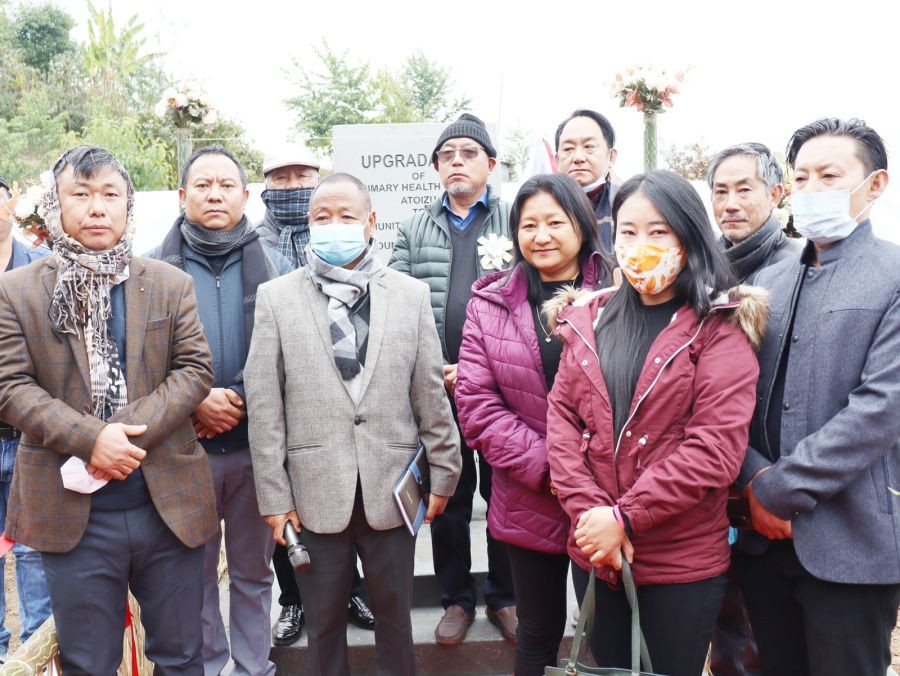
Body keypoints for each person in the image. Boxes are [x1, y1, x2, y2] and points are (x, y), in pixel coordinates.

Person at [0, 145, 217, 674]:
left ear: (128, 205)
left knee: (183, 656)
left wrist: (121, 435)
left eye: (109, 195)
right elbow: (10, 386)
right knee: (87, 662)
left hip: (167, 504)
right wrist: (90, 439)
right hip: (72, 514)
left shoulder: (169, 284)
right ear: (55, 203)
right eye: (81, 194)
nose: (97, 208)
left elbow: (194, 371)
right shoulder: (16, 290)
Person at [546, 170, 766, 676]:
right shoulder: (589, 318)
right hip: (596, 554)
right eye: (627, 231)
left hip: (679, 564)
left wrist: (624, 518)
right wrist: (592, 519)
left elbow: (714, 450)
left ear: (689, 237)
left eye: (659, 231)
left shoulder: (719, 327)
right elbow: (561, 422)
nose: (640, 244)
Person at [246, 173, 461, 675]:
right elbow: (265, 405)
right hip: (314, 494)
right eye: (322, 217)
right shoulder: (278, 299)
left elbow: (429, 390)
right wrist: (274, 497)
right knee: (322, 626)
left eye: (346, 216)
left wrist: (445, 471)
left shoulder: (408, 295)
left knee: (395, 622)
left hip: (392, 491)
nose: (333, 226)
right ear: (308, 223)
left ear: (370, 223)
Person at [736, 118, 900, 676]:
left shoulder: (893, 275)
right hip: (763, 539)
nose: (811, 190)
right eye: (801, 177)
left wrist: (778, 488)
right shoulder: (770, 284)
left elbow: (881, 408)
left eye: (829, 176)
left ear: (874, 185)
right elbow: (730, 396)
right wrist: (752, 475)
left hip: (851, 539)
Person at [455, 173, 610, 675]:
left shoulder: (618, 295)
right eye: (528, 225)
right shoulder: (490, 304)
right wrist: (553, 469)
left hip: (603, 498)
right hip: (529, 493)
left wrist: (580, 474)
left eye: (554, 222)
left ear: (581, 227)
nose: (540, 236)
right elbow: (477, 404)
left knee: (608, 635)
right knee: (536, 633)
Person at [145, 146, 289, 676]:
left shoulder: (271, 265)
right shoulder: (154, 271)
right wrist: (195, 400)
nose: (214, 194)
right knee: (195, 572)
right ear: (182, 196)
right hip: (185, 450)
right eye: (202, 185)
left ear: (245, 196)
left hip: (255, 447)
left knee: (254, 572)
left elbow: (289, 352)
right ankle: (206, 665)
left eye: (225, 185)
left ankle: (254, 666)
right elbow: (141, 359)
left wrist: (243, 400)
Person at [389, 113, 517, 646]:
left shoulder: (514, 221)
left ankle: (506, 597)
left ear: (490, 163)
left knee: (506, 494)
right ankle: (456, 600)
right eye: (447, 155)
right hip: (440, 388)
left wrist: (486, 367)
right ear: (437, 167)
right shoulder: (413, 228)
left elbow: (531, 299)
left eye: (468, 153)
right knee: (448, 497)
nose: (457, 162)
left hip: (507, 387)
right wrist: (431, 368)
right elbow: (394, 302)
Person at [253, 145, 375, 645]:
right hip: (293, 400)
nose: (290, 182)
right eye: (279, 177)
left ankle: (353, 590)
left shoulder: (353, 240)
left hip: (357, 414)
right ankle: (295, 602)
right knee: (297, 528)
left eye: (300, 173)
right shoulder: (257, 241)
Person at [706, 142, 801, 676]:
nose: (732, 202)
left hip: (777, 486)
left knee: (769, 640)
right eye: (721, 190)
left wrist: (763, 478)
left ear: (777, 194)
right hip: (716, 479)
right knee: (725, 631)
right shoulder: (702, 270)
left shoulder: (799, 269)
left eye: (746, 189)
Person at [0, 175, 52, 662]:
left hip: (30, 435)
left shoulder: (41, 269)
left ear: (11, 205)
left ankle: (39, 656)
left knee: (34, 552)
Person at [709, 142, 801, 284]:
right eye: (721, 192)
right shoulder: (704, 264)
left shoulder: (795, 269)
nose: (730, 205)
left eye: (744, 190)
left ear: (774, 195)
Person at [555, 109, 618, 252]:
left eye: (589, 147)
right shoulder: (543, 205)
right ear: (557, 160)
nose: (578, 158)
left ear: (611, 156)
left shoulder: (625, 204)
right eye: (568, 148)